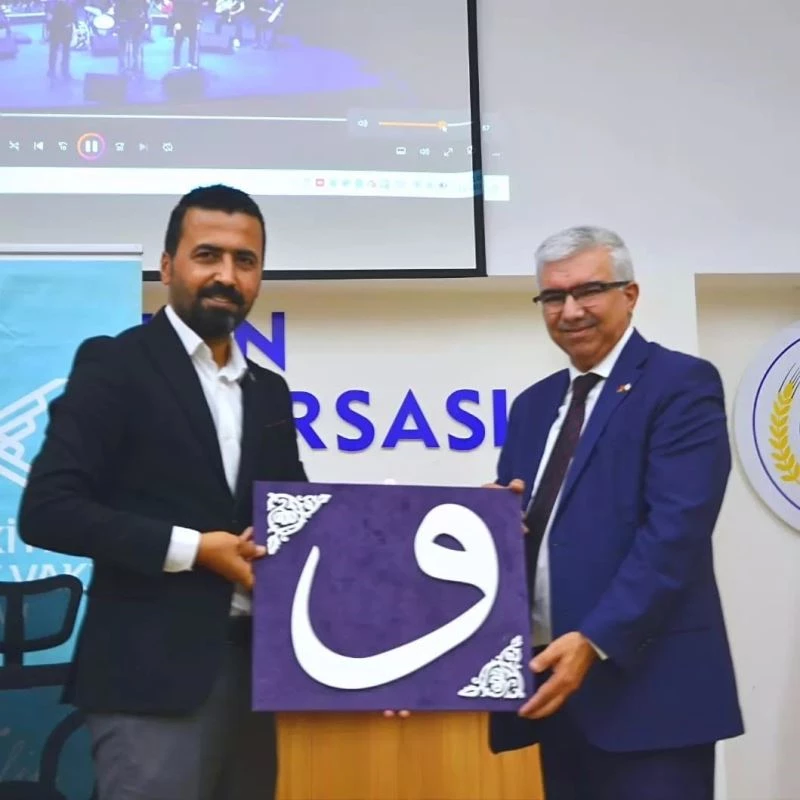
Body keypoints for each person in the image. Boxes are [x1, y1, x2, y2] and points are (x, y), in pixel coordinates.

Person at [18, 184, 307, 800]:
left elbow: (296, 519)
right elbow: (46, 511)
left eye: (245, 260)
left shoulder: (269, 392)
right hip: (147, 682)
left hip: (259, 676)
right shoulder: (115, 366)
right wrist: (195, 549)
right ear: (168, 266)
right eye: (208, 255)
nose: (226, 275)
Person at [486, 226, 743, 800]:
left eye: (589, 291)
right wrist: (490, 522)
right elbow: (534, 531)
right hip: (555, 693)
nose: (571, 310)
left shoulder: (681, 384)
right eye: (554, 296)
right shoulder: (532, 406)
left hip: (651, 696)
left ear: (630, 295)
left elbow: (675, 533)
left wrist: (595, 639)